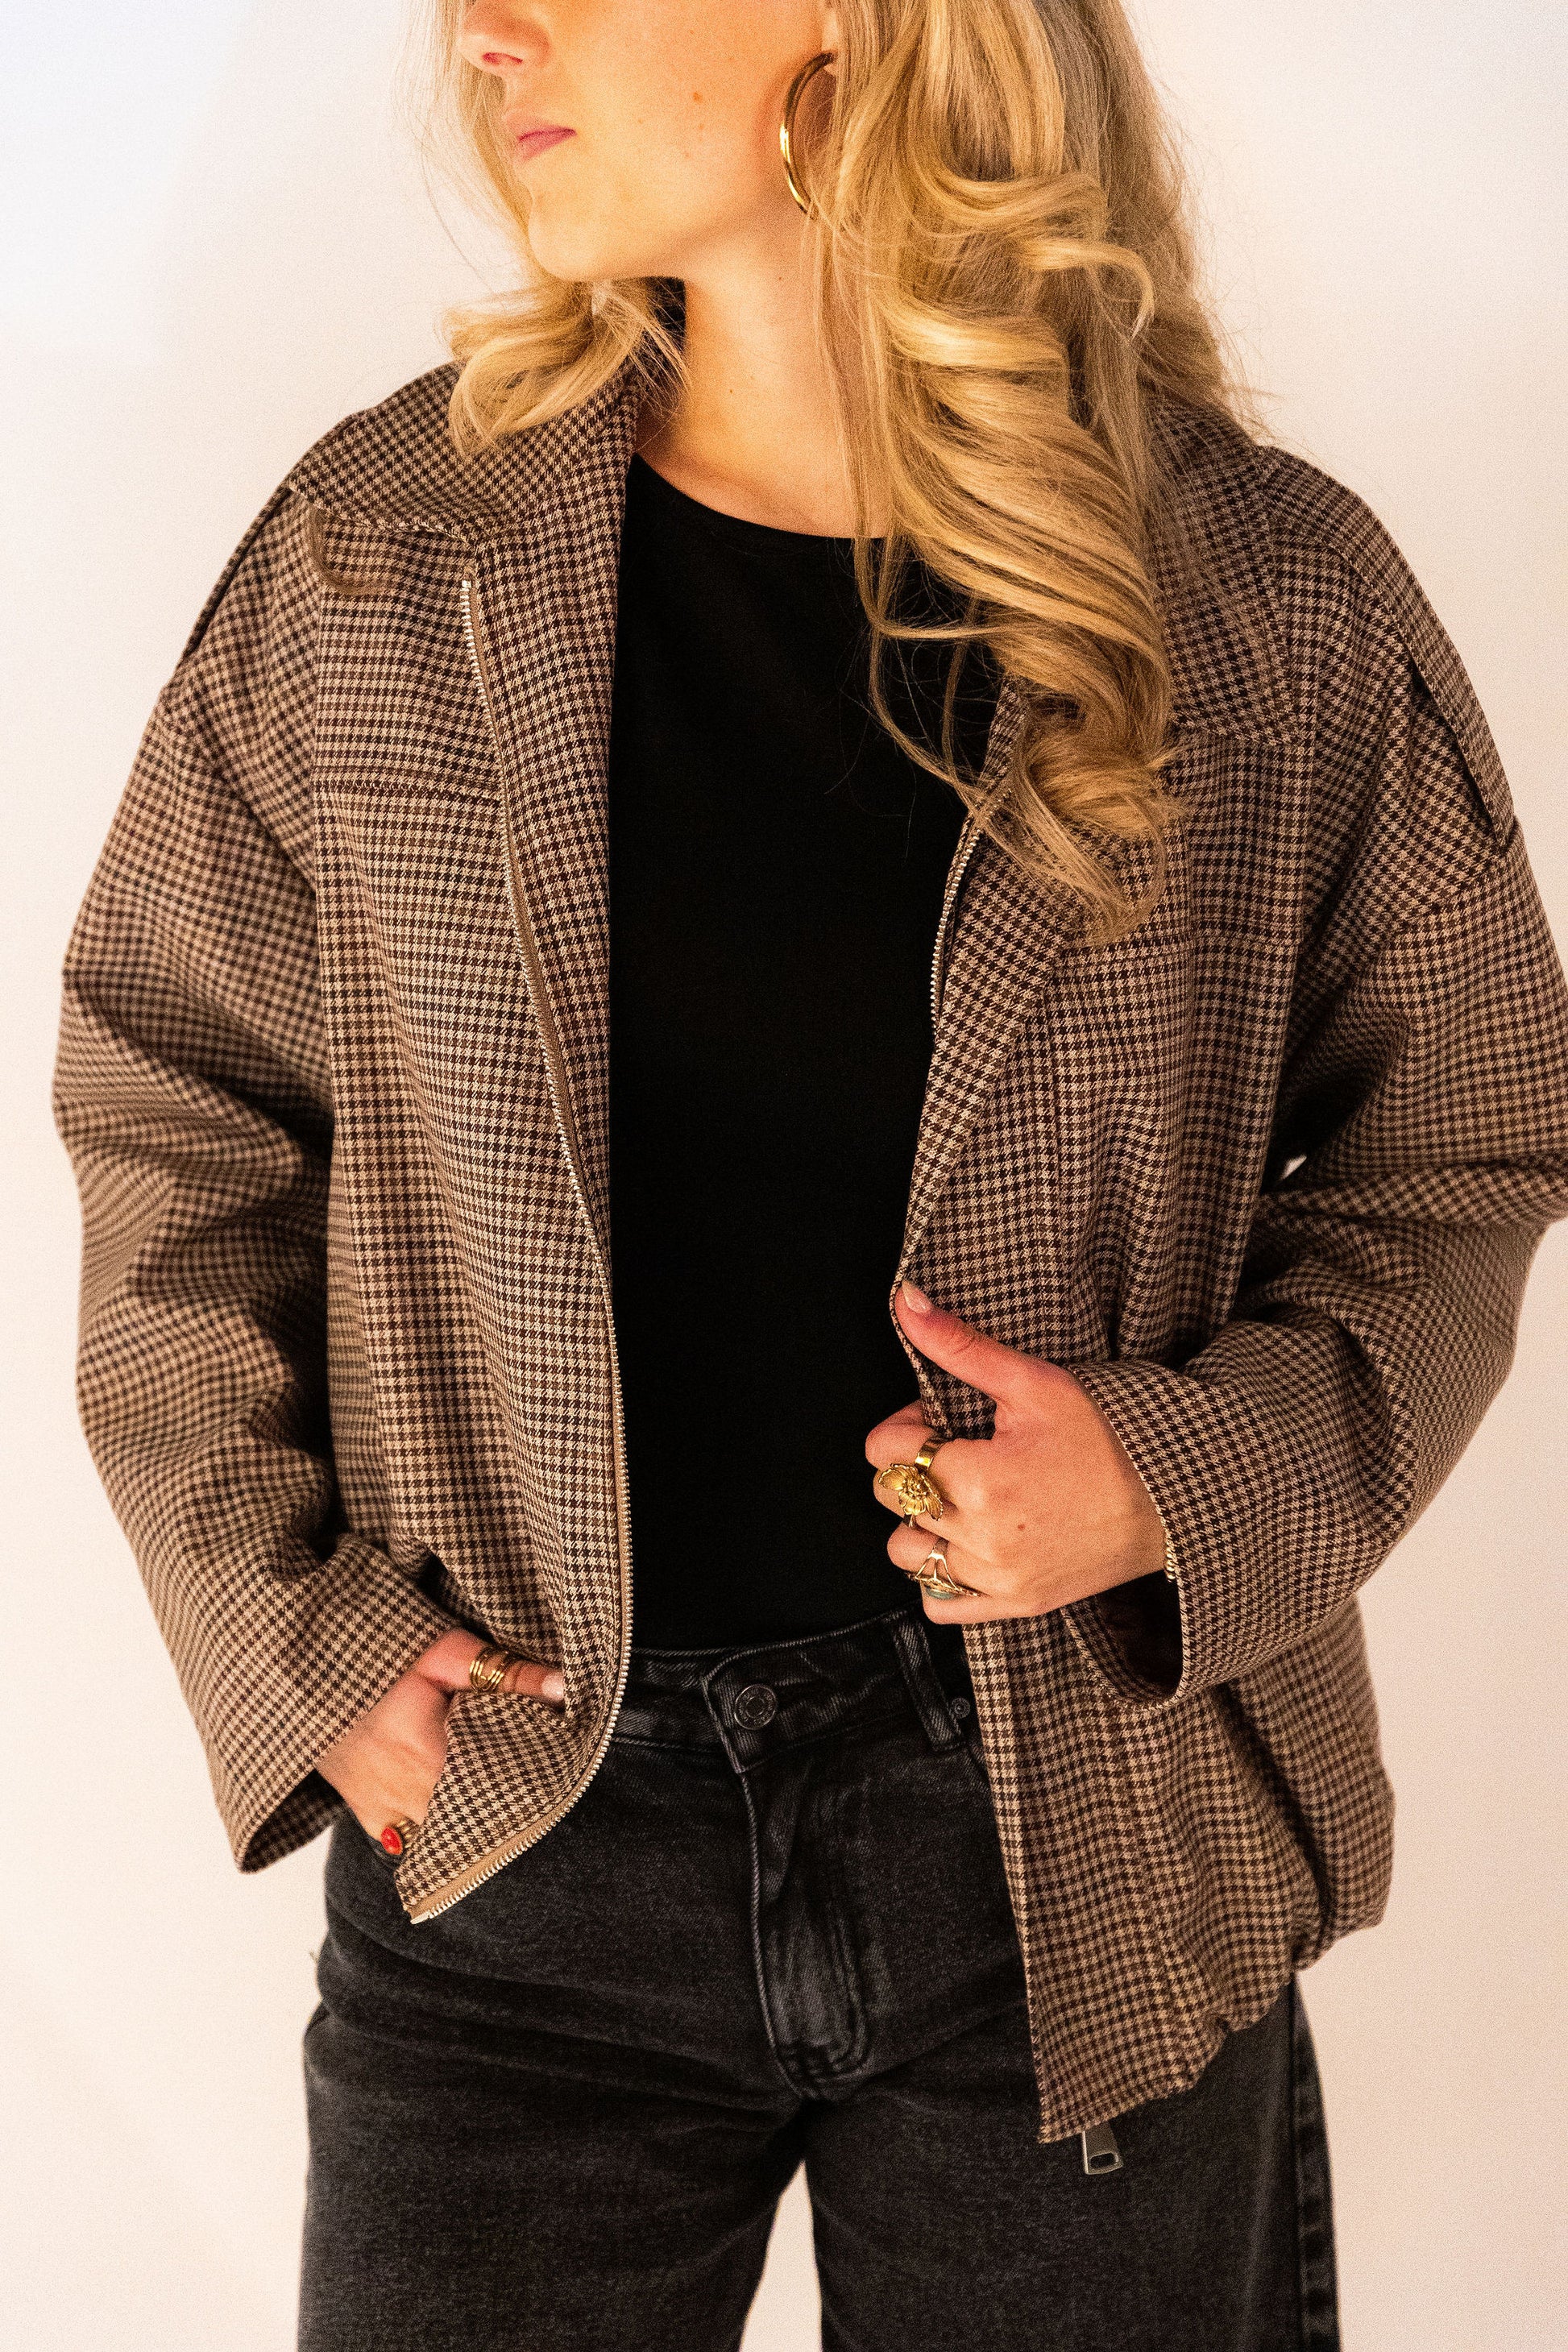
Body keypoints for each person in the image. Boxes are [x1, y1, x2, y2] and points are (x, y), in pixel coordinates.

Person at [52, 4, 1568, 2347]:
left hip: (1075, 1850)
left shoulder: (1261, 595)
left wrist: (1173, 1479)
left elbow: (1462, 1143)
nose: (483, 30)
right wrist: (296, 1636)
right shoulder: (386, 557)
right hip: (518, 1841)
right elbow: (175, 1104)